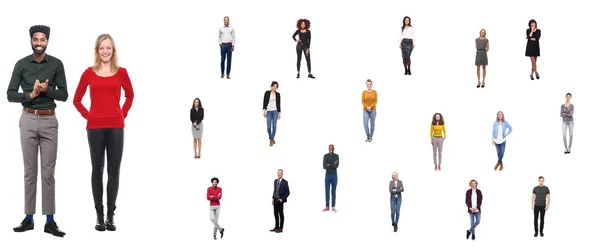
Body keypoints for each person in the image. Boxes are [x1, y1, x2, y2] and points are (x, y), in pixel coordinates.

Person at [7, 25, 68, 237]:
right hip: (28, 119)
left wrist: (46, 90)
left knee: (48, 173)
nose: (39, 42)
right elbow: (10, 94)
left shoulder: (57, 64)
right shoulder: (21, 64)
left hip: (50, 120)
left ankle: (50, 220)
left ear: (47, 41)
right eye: (36, 39)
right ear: (31, 41)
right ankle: (29, 218)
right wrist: (31, 95)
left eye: (42, 39)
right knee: (30, 172)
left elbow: (64, 95)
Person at [73, 33, 134, 232]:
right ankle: (99, 216)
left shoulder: (122, 72)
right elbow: (77, 99)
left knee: (114, 172)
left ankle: (110, 215)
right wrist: (89, 116)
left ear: (113, 50)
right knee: (97, 170)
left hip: (116, 127)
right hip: (95, 128)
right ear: (97, 51)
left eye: (108, 48)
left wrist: (121, 114)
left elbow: (130, 95)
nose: (105, 51)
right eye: (102, 48)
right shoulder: (88, 73)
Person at [263, 81, 281, 147]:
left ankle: (272, 139)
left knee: (274, 126)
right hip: (269, 111)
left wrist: (279, 113)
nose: (274, 87)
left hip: (275, 111)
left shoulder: (278, 94)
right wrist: (264, 111)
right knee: (268, 127)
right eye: (274, 86)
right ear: (271, 86)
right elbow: (264, 102)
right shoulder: (267, 93)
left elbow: (279, 104)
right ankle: (271, 138)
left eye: (276, 86)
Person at [322, 144, 339, 212]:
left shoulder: (336, 156)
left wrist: (329, 164)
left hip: (334, 175)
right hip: (327, 176)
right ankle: (327, 206)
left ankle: (333, 206)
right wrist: (333, 164)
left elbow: (336, 166)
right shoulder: (325, 156)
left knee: (333, 191)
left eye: (332, 148)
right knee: (327, 191)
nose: (331, 149)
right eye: (330, 148)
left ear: (333, 148)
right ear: (328, 148)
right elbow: (324, 166)